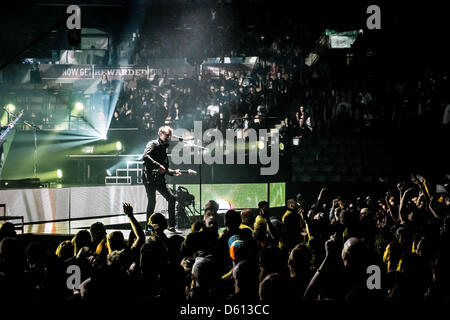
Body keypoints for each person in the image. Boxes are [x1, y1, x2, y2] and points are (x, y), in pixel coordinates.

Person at [141, 125, 182, 233]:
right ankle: (148, 228)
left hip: (159, 178)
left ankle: (172, 226)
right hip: (149, 177)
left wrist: (172, 172)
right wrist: (158, 165)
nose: (169, 138)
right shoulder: (153, 144)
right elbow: (145, 156)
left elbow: (164, 168)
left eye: (170, 136)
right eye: (167, 135)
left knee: (172, 198)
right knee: (152, 201)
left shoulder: (165, 148)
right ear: (160, 134)